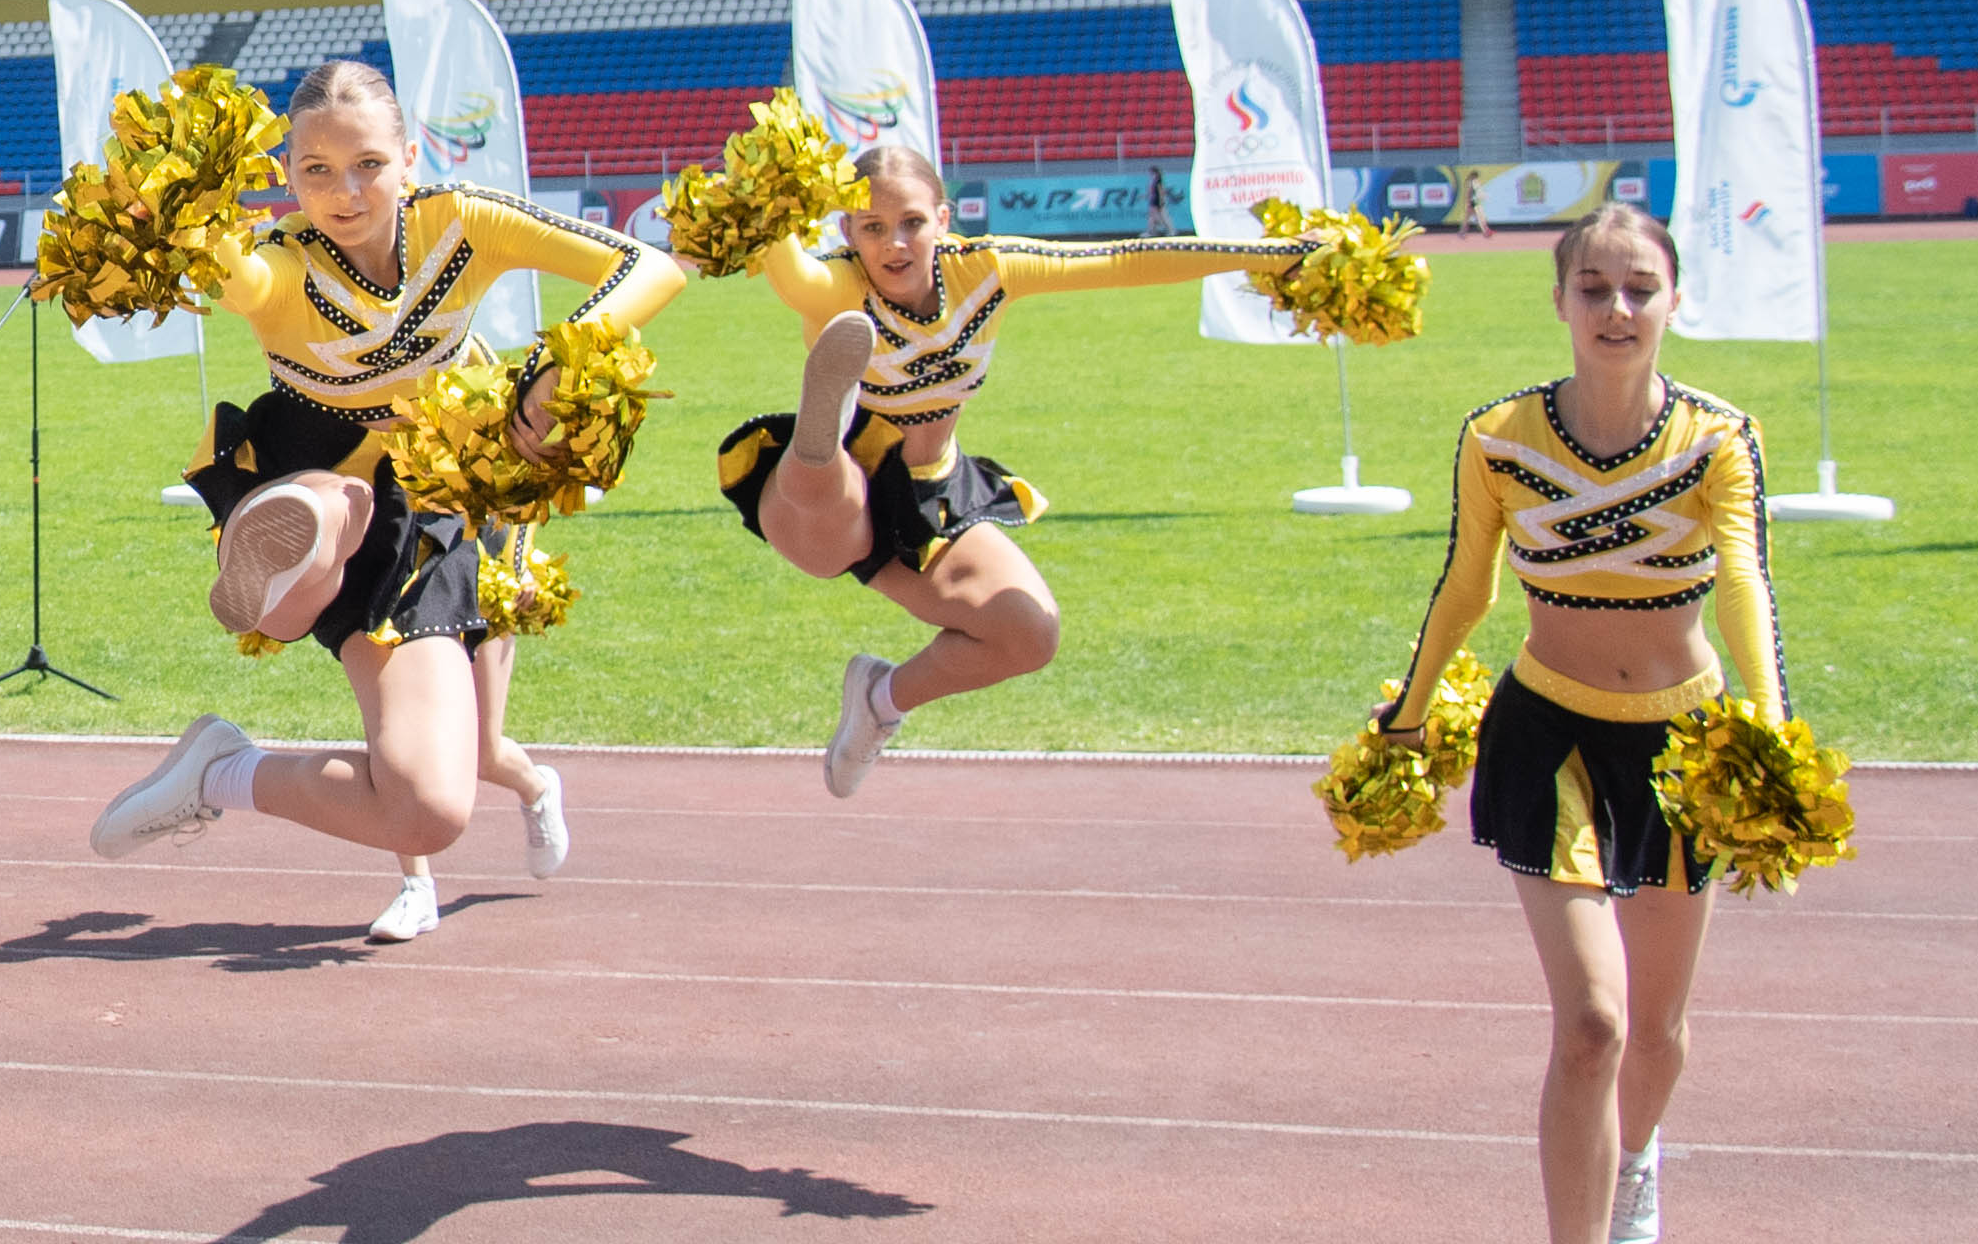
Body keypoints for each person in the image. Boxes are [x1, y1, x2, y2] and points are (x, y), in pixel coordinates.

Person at [83, 59, 680, 931]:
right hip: (306, 460)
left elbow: (648, 266)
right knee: (307, 550)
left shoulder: (465, 222)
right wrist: (169, 215)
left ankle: (220, 772)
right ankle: (302, 542)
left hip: (432, 498)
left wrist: (557, 365)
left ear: (409, 154)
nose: (344, 191)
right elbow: (234, 279)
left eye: (367, 163)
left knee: (431, 806)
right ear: (286, 176)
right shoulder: (279, 264)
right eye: (315, 170)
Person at [1372, 199, 1792, 1244]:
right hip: (1543, 731)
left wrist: (1765, 718)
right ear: (1558, 299)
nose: (1616, 308)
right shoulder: (1499, 436)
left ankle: (1638, 1157)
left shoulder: (1719, 436)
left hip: (1678, 747)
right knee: (1595, 1024)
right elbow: (1464, 580)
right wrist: (1407, 711)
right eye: (1594, 286)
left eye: (1639, 287)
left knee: (1656, 1031)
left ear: (1672, 299)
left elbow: (1747, 582)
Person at [727, 145, 1347, 796]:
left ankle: (880, 702)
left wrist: (1268, 255)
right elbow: (792, 277)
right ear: (848, 231)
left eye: (911, 222)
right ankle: (820, 432)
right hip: (835, 498)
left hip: (930, 494)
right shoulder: (838, 286)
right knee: (826, 511)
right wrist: (761, 197)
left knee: (1027, 635)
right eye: (873, 227)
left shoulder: (988, 270)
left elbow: (1119, 261)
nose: (895, 244)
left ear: (944, 218)